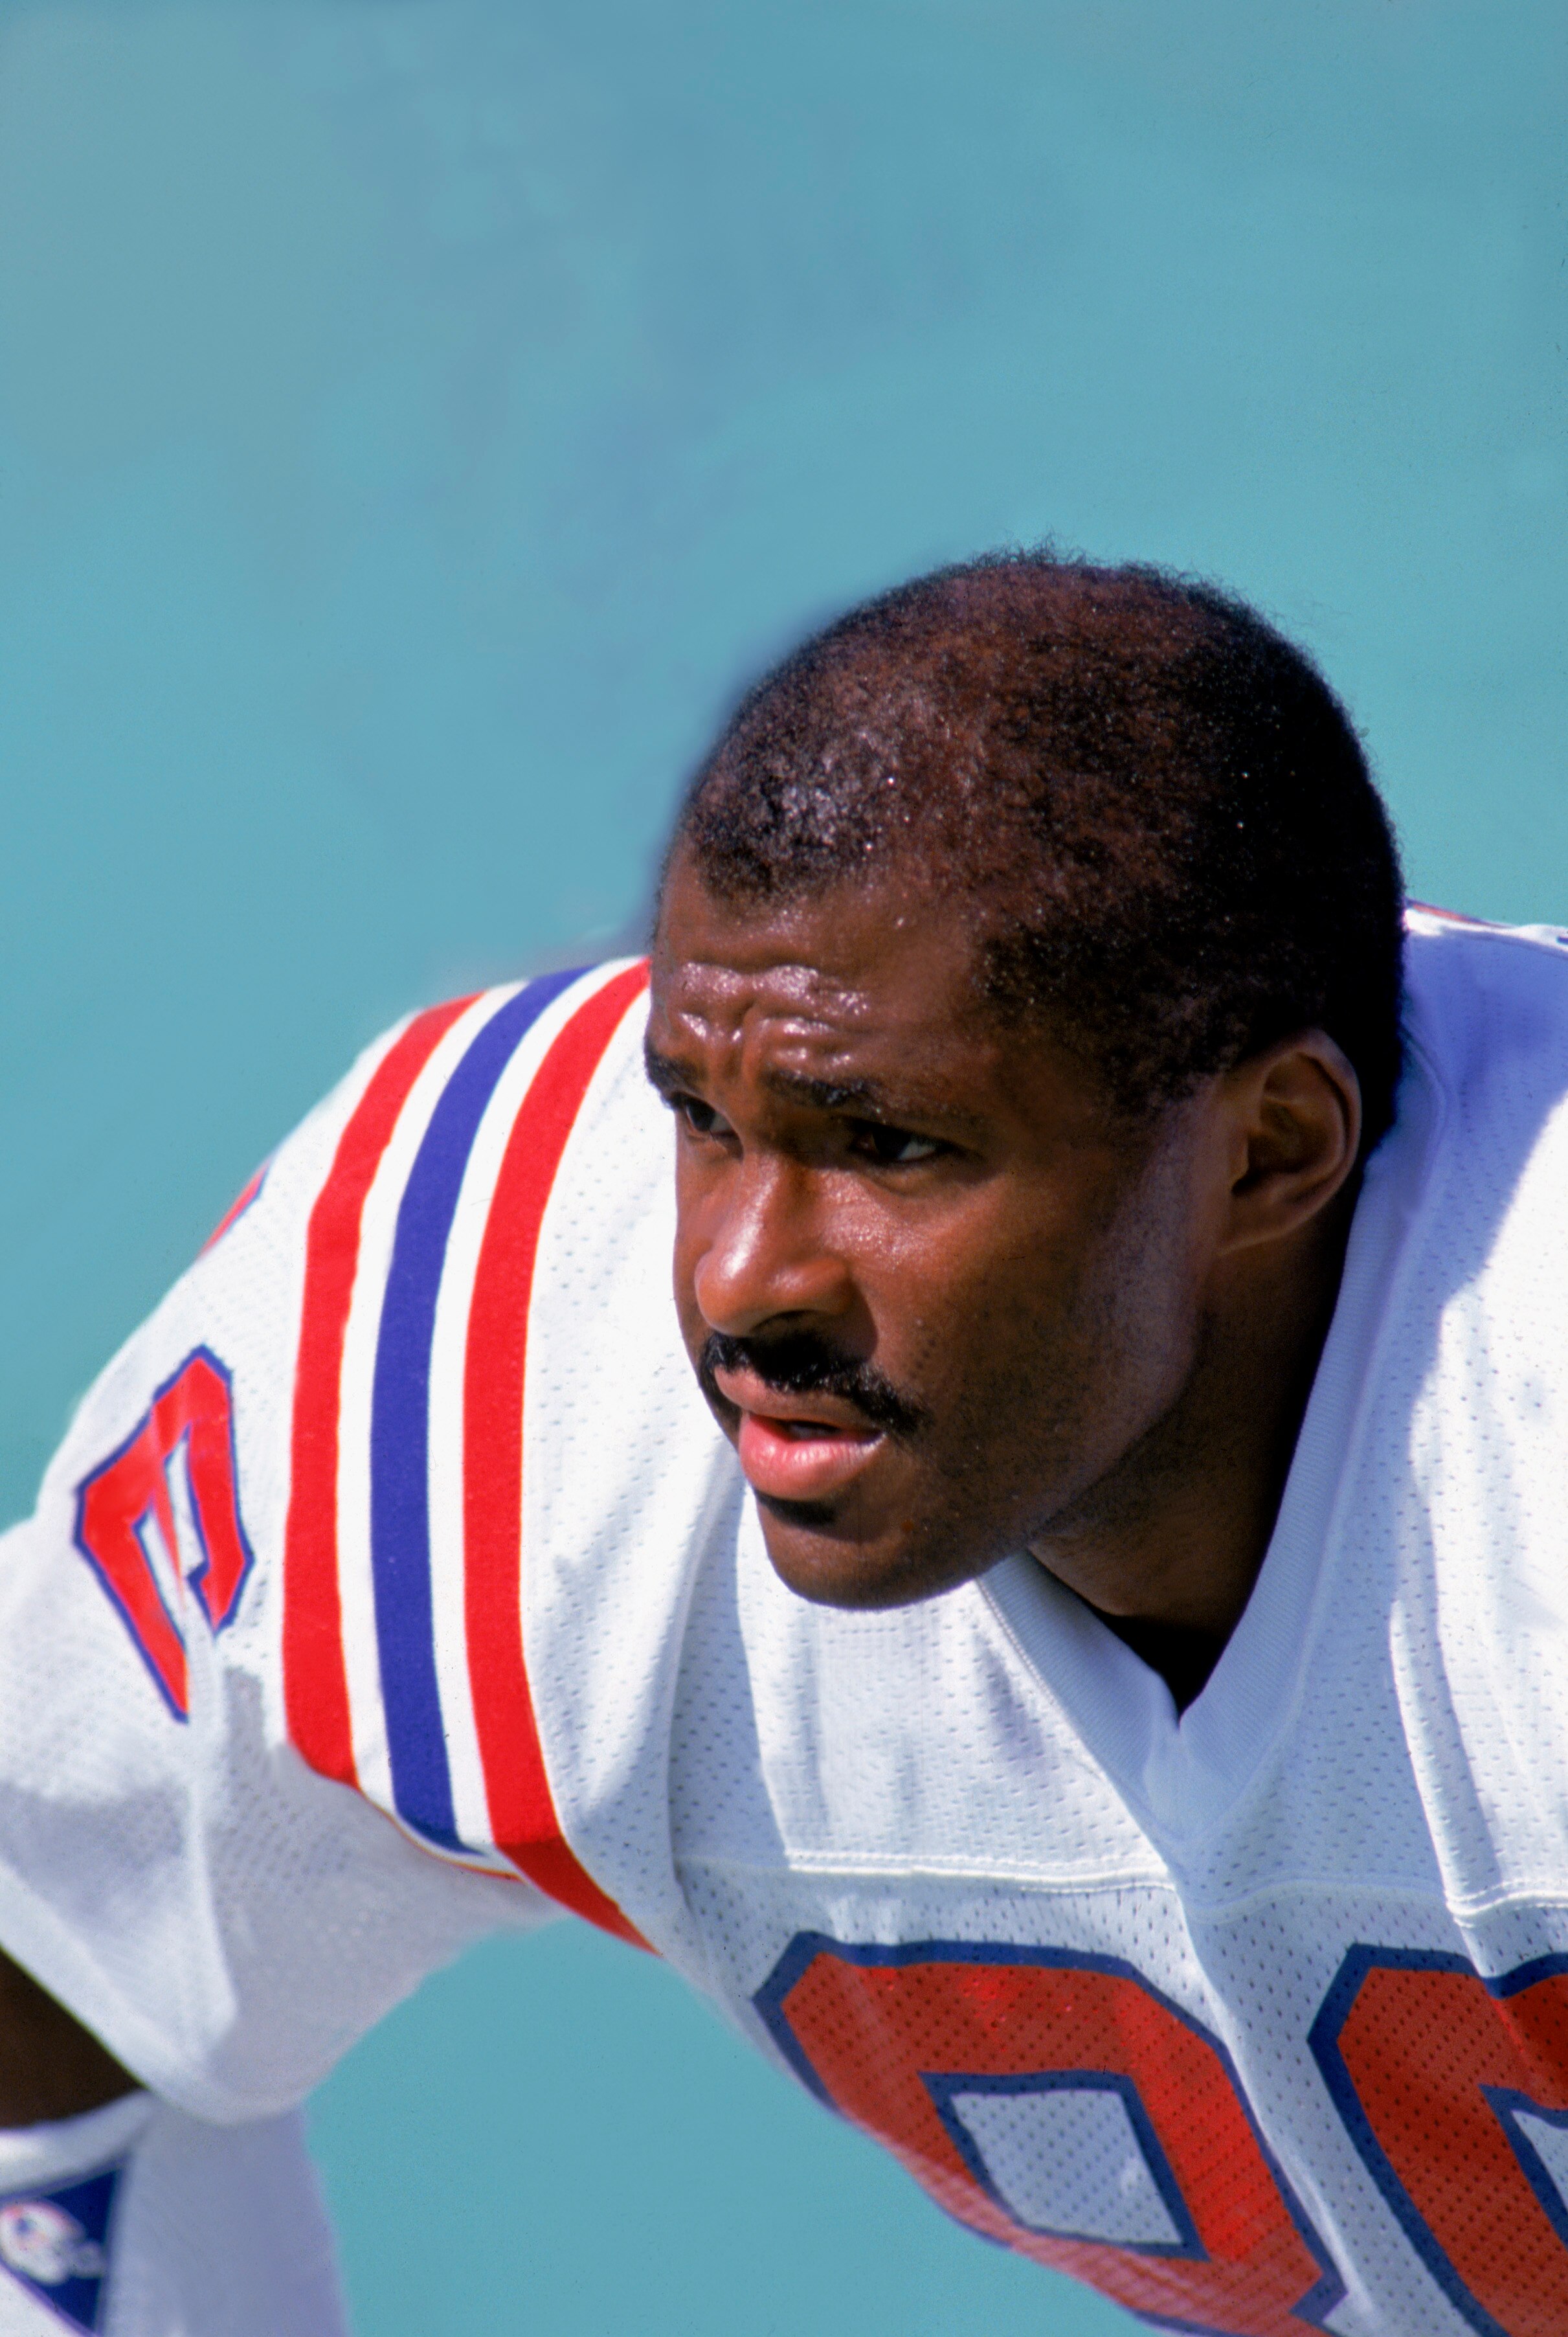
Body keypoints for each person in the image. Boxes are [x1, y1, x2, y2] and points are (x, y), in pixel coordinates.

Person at [0, 552, 1563, 2337]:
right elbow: (53, 1941)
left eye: (889, 1146)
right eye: (699, 1113)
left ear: (1273, 1150)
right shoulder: (467, 1362)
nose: (740, 1278)